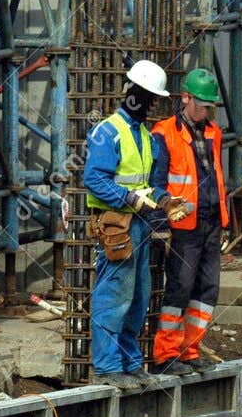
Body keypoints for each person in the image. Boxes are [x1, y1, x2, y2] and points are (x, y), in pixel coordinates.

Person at [82, 60, 178, 391]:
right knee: (114, 295)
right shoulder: (108, 132)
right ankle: (107, 366)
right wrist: (129, 199)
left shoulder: (144, 137)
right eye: (150, 98)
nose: (152, 105)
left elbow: (148, 182)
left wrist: (165, 199)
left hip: (137, 225)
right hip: (117, 225)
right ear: (135, 94)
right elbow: (93, 178)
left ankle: (130, 363)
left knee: (137, 296)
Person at [151, 68, 230, 375]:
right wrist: (161, 223)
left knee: (207, 289)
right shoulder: (165, 133)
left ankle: (189, 350)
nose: (207, 110)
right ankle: (166, 354)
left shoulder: (213, 132)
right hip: (183, 226)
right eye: (202, 104)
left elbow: (218, 180)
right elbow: (157, 183)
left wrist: (225, 219)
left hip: (210, 223)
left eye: (210, 106)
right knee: (180, 290)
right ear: (185, 98)